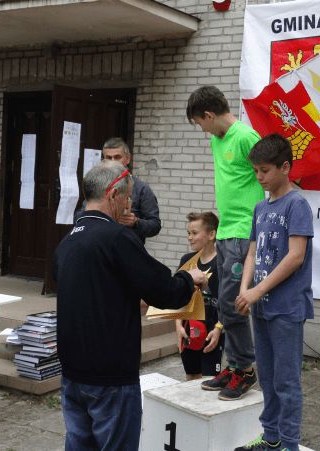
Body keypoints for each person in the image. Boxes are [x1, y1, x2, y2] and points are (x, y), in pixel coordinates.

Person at [53, 160, 207, 450]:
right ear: (113, 195)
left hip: (72, 372)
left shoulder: (68, 241)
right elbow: (165, 292)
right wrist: (189, 278)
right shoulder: (117, 238)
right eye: (127, 198)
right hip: (110, 375)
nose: (129, 206)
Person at [233, 134, 314, 451]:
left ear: (285, 167)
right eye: (255, 171)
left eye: (264, 170)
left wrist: (257, 291)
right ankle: (271, 437)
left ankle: (289, 444)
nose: (259, 177)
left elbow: (296, 256)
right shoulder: (260, 207)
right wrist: (245, 289)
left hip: (287, 308)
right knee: (266, 377)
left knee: (286, 381)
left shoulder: (297, 205)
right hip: (262, 307)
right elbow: (252, 252)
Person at [186, 85, 264, 401]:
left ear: (209, 114)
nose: (202, 130)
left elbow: (270, 175)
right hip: (226, 230)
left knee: (233, 304)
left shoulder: (246, 137)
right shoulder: (217, 140)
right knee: (223, 301)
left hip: (244, 231)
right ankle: (233, 366)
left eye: (200, 123)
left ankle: (244, 370)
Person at [174, 211, 224, 381]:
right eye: (188, 233)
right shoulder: (186, 260)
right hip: (189, 331)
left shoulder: (222, 263)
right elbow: (178, 298)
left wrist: (218, 329)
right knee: (191, 377)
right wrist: (179, 326)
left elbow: (228, 301)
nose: (190, 237)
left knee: (208, 381)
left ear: (212, 234)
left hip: (212, 332)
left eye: (194, 233)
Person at [100, 137, 161, 242]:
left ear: (127, 159)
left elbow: (155, 225)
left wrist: (136, 222)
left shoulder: (142, 189)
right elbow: (80, 215)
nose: (113, 162)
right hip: (100, 247)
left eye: (117, 157)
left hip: (128, 248)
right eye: (109, 158)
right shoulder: (97, 185)